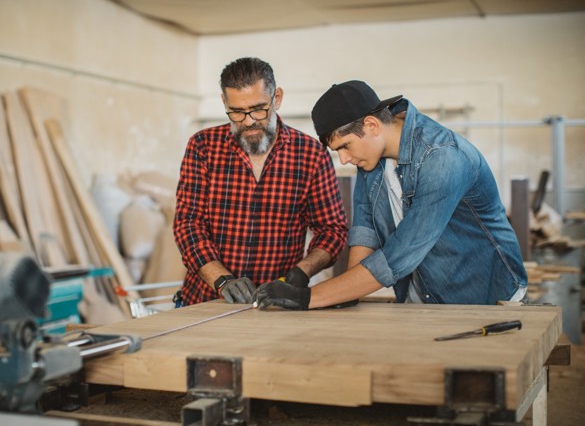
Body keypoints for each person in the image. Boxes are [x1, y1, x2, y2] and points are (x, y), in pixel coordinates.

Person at [254, 80, 528, 310]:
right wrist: (345, 291)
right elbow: (365, 229)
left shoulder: (443, 158)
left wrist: (308, 298)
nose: (345, 159)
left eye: (345, 146)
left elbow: (400, 255)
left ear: (372, 125)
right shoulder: (372, 156)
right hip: (423, 298)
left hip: (486, 300)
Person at [173, 58, 348, 306]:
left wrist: (300, 273)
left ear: (277, 98)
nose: (248, 121)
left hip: (276, 305)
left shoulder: (311, 155)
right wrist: (221, 280)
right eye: (236, 111)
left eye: (258, 109)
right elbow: (188, 224)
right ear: (224, 102)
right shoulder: (203, 147)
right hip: (206, 302)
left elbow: (332, 230)